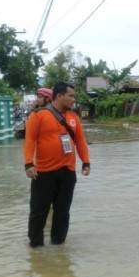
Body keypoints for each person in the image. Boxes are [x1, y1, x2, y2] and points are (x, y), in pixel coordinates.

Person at [23, 82, 91, 248]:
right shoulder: (38, 115)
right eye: (71, 96)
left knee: (62, 212)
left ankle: (59, 245)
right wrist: (28, 164)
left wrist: (86, 162)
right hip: (44, 172)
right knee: (39, 211)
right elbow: (30, 140)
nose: (73, 100)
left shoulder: (74, 118)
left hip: (67, 172)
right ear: (59, 96)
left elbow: (81, 141)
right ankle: (36, 246)